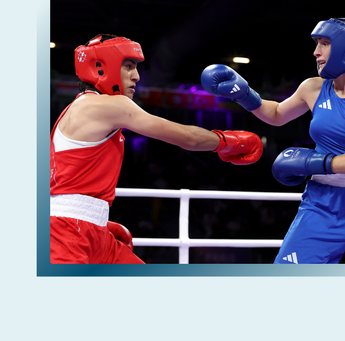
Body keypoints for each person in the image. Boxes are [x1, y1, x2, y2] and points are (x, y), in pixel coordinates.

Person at [201, 18, 345, 264]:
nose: (316, 52)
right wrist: (244, 94)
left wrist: (310, 162)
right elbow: (278, 114)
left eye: (324, 43)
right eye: (316, 43)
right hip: (323, 203)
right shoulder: (312, 88)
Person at [51, 34, 263, 264]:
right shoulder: (109, 105)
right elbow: (188, 138)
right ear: (101, 67)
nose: (137, 76)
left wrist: (94, 216)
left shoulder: (73, 110)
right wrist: (226, 141)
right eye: (129, 66)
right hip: (68, 233)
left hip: (85, 229)